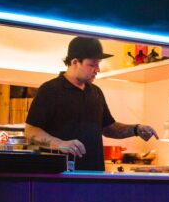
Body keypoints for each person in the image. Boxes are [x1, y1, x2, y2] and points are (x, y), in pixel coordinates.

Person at [24, 36, 157, 171]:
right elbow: (30, 131)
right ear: (75, 62)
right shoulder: (50, 90)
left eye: (98, 64)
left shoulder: (96, 92)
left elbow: (108, 127)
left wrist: (136, 129)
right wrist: (61, 144)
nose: (97, 69)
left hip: (95, 173)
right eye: (92, 64)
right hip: (61, 175)